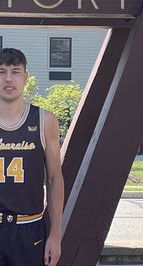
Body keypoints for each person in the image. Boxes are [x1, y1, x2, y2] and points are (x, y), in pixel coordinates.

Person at [0, 48, 64, 266]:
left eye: (15, 71)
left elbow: (55, 179)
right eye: (1, 71)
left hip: (30, 230)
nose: (8, 79)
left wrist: (55, 235)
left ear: (26, 77)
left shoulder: (45, 121)